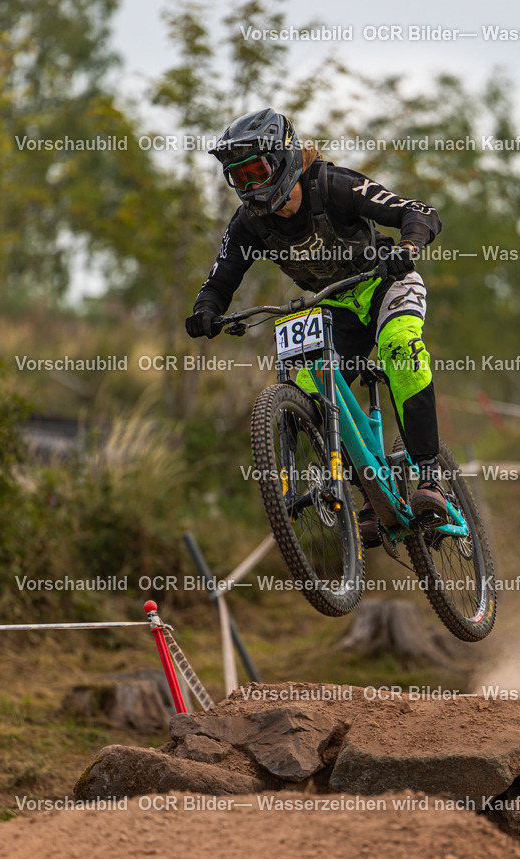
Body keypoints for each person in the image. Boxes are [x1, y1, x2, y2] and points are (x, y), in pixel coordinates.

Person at [185, 107, 447, 546]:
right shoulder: (250, 222)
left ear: (284, 157)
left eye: (257, 171)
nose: (250, 186)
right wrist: (206, 309)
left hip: (386, 284)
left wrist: (407, 244)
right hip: (335, 308)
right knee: (312, 387)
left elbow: (418, 211)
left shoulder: (333, 185)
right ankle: (372, 495)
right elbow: (221, 278)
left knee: (400, 346)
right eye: (239, 177)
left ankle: (430, 476)